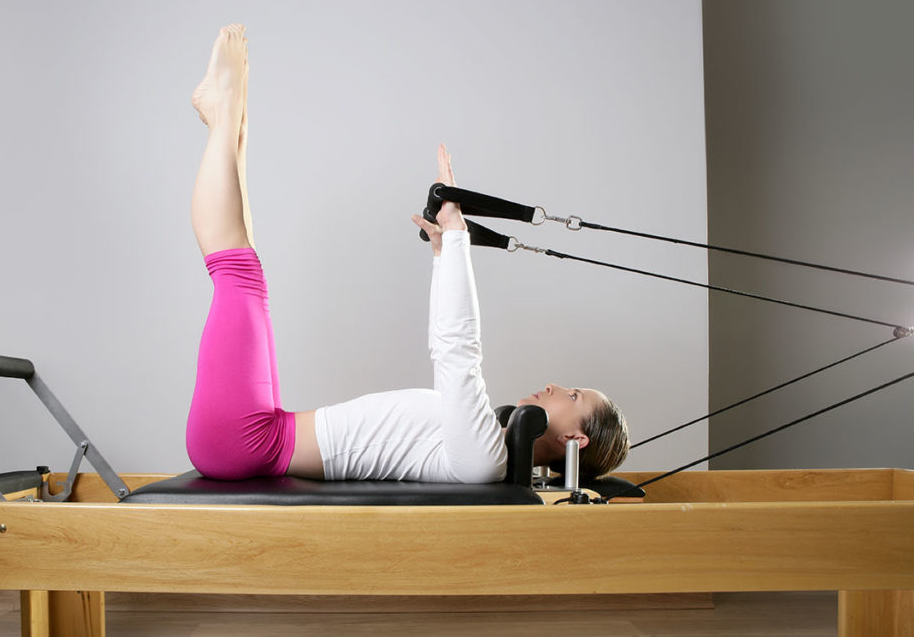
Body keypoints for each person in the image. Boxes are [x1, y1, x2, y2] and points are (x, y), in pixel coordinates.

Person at [185, 25, 629, 484]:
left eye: (574, 397)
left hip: (245, 443)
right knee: (248, 278)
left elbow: (458, 353)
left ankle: (225, 110)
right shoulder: (481, 441)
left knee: (240, 275)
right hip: (263, 432)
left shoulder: (485, 458)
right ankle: (232, 123)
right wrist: (443, 254)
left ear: (575, 441)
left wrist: (457, 237)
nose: (557, 387)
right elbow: (446, 345)